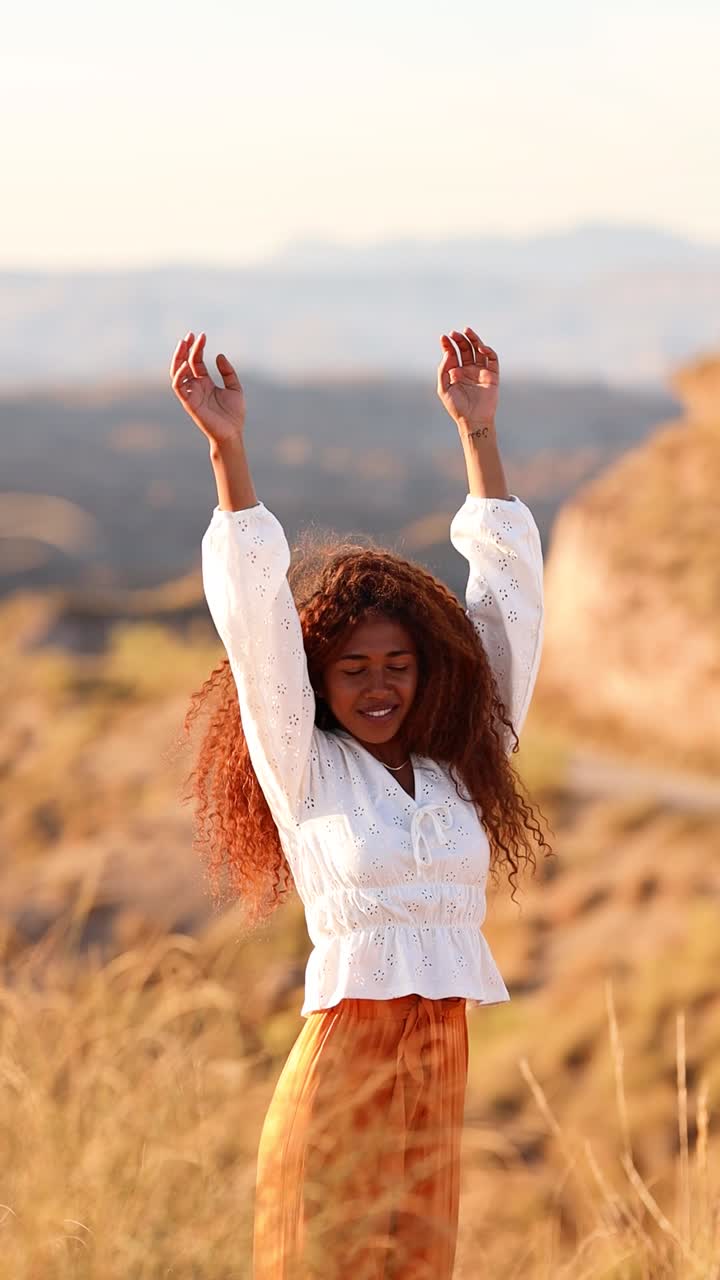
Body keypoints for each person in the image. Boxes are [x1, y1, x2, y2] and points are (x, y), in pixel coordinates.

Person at [170, 326, 551, 1279]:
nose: (379, 687)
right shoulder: (304, 769)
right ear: (322, 681)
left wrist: (479, 435)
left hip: (440, 1073)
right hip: (344, 1069)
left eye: (399, 666)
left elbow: (511, 610)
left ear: (429, 671)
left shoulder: (465, 762)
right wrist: (229, 454)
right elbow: (256, 632)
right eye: (353, 670)